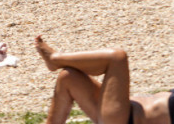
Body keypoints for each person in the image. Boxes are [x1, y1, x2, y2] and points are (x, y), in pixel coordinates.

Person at [34, 36, 173, 124]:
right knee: (69, 77)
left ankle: (55, 59)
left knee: (117, 58)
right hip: (122, 112)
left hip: (124, 119)